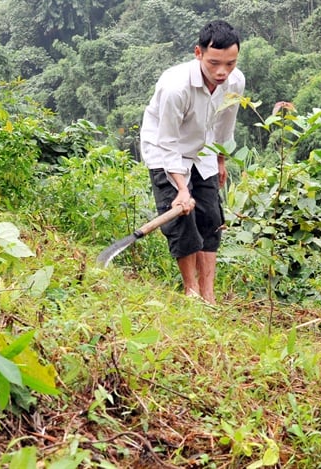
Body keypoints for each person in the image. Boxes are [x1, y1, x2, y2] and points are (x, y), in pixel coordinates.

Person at [140, 20, 245, 304]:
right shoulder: (176, 87)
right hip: (165, 150)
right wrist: (182, 190)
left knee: (210, 217)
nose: (222, 71)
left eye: (230, 63)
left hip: (204, 150)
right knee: (183, 221)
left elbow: (225, 124)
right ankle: (191, 291)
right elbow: (168, 141)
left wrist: (220, 160)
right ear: (198, 53)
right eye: (214, 63)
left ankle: (209, 295)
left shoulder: (235, 81)